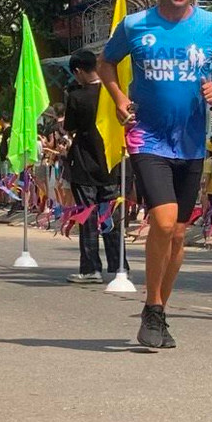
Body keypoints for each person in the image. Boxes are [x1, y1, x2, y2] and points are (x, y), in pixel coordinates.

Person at [98, 0, 212, 349]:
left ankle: (156, 311)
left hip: (192, 142)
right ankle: (154, 306)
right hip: (147, 137)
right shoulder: (135, 24)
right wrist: (118, 98)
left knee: (178, 233)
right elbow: (106, 63)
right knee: (162, 223)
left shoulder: (210, 25)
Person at [63, 49, 124, 284]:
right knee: (110, 214)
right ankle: (119, 264)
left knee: (87, 215)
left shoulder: (77, 97)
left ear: (78, 71)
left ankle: (90, 268)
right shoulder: (113, 92)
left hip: (85, 162)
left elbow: (70, 126)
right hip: (111, 161)